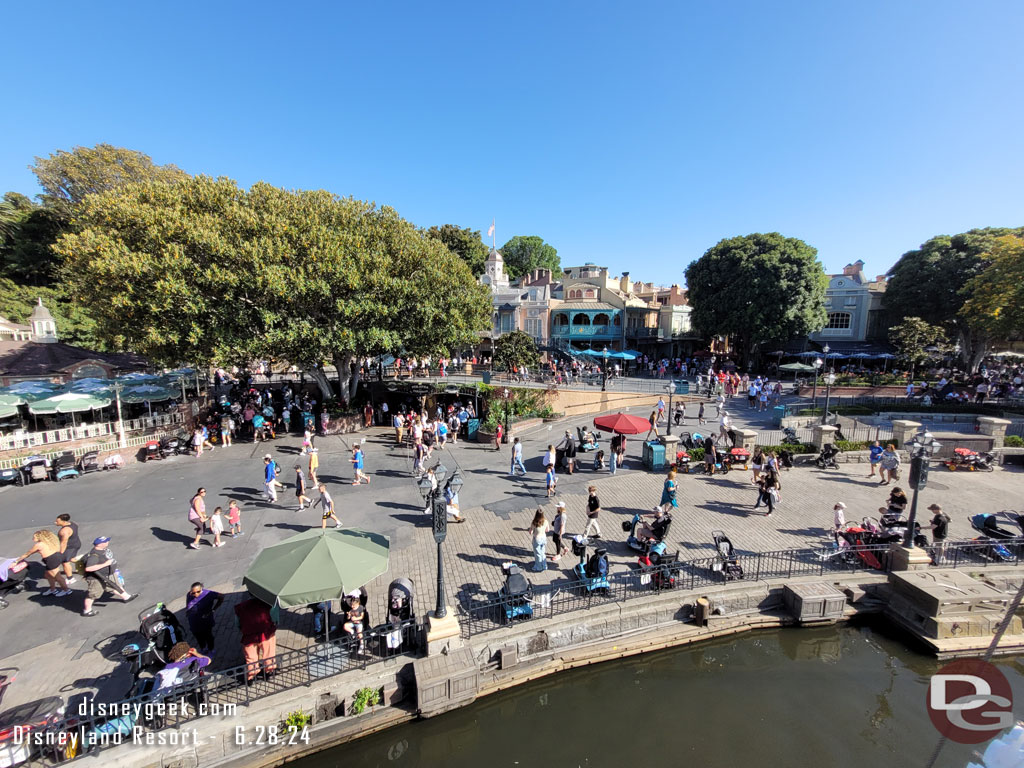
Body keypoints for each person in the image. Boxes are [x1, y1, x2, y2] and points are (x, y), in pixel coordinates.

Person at [81, 536, 137, 616]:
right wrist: (106, 564)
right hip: (97, 578)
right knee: (93, 594)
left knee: (115, 586)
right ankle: (87, 611)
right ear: (100, 544)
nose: (107, 542)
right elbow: (89, 568)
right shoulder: (94, 555)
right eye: (106, 542)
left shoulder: (103, 550)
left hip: (107, 574)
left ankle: (126, 597)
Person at [235, 596, 277, 683]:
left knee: (251, 658)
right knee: (269, 654)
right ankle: (269, 671)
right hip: (266, 634)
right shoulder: (267, 603)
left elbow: (237, 623)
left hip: (249, 636)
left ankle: (251, 677)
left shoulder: (241, 607)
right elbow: (275, 618)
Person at [16, 531, 71, 596]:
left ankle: (66, 590)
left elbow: (28, 554)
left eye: (34, 536)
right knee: (47, 575)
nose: (33, 538)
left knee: (57, 576)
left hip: (51, 560)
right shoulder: (48, 542)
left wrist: (16, 561)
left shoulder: (39, 545)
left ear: (40, 537)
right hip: (57, 556)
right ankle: (52, 589)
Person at [185, 582, 224, 653]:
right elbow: (188, 605)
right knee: (198, 636)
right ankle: (203, 648)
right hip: (193, 621)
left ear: (201, 589)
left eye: (198, 592)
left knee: (208, 635)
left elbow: (221, 597)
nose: (196, 594)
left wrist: (214, 609)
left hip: (205, 619)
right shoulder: (189, 595)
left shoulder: (208, 594)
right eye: (193, 593)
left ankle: (211, 649)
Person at [55, 513, 81, 586]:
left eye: (57, 521)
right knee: (71, 558)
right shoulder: (73, 523)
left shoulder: (64, 531)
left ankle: (70, 578)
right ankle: (85, 564)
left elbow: (64, 543)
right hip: (76, 543)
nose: (55, 522)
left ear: (63, 521)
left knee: (65, 562)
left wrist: (61, 554)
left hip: (70, 547)